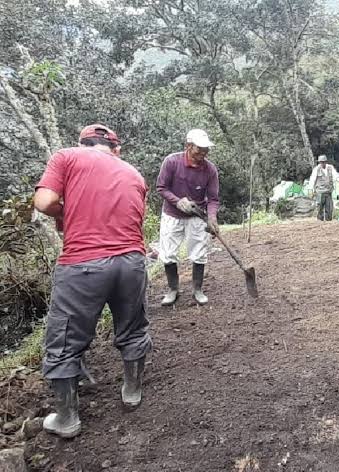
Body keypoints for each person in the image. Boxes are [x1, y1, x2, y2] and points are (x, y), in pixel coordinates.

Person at [33, 124, 152, 438]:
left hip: (83, 264)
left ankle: (67, 419)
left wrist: (67, 210)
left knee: (64, 342)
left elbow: (44, 202)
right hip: (131, 262)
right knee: (133, 326)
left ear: (83, 143)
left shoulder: (67, 157)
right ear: (116, 149)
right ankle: (131, 391)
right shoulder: (135, 174)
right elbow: (133, 217)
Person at [156, 129, 220, 306]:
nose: (203, 153)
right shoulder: (172, 162)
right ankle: (172, 289)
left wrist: (212, 217)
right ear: (188, 146)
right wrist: (177, 201)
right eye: (199, 149)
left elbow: (213, 199)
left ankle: (198, 289)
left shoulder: (210, 170)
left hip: (196, 216)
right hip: (172, 214)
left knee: (199, 253)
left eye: (206, 149)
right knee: (168, 254)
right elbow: (161, 187)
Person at [308, 154, 338, 221]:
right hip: (320, 192)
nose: (322, 163)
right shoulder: (316, 169)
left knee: (329, 208)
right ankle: (320, 221)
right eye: (321, 162)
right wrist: (310, 189)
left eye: (323, 162)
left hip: (329, 191)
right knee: (320, 208)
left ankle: (329, 221)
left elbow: (336, 176)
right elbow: (312, 179)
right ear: (319, 162)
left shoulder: (330, 167)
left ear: (326, 161)